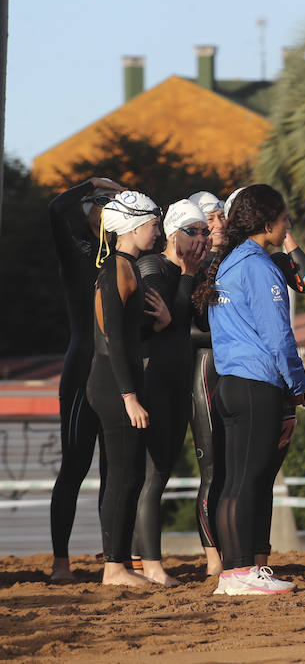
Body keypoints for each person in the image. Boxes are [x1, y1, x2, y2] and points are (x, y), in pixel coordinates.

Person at [200, 184, 305, 595]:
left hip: (228, 383)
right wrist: (298, 382)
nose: (288, 226)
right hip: (256, 384)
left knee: (235, 481)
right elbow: (278, 335)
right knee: (249, 480)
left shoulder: (229, 262)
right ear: (267, 224)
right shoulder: (260, 267)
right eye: (284, 219)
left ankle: (234, 573)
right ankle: (242, 571)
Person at [47, 175, 125, 583]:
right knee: (75, 466)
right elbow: (56, 209)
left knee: (116, 470)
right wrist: (93, 182)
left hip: (117, 370)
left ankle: (114, 558)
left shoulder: (128, 259)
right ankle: (61, 562)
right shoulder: (78, 252)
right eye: (105, 205)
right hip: (82, 365)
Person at [130, 199, 209, 586]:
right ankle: (151, 565)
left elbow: (180, 322)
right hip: (155, 380)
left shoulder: (186, 273)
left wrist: (190, 280)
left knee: (161, 474)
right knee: (153, 475)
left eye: (205, 231)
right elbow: (169, 322)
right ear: (173, 233)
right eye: (192, 231)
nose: (201, 238)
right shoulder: (152, 267)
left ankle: (145, 561)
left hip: (179, 381)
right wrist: (189, 276)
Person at [86, 191, 163, 587]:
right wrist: (128, 396)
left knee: (130, 474)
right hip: (114, 386)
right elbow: (113, 336)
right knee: (123, 475)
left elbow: (130, 334)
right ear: (133, 226)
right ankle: (114, 568)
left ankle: (121, 565)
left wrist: (159, 324)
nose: (158, 232)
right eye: (153, 224)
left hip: (119, 382)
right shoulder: (117, 268)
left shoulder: (126, 266)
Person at [187, 189, 227, 576]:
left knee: (234, 467)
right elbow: (185, 331)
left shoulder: (227, 261)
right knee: (212, 469)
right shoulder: (190, 268)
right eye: (209, 220)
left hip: (229, 369)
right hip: (203, 369)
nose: (217, 225)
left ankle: (235, 548)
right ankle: (213, 556)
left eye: (220, 217)